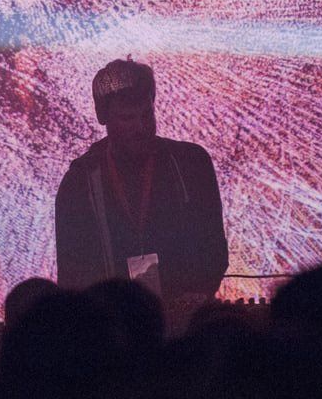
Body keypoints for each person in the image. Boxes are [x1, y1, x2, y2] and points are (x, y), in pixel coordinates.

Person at [55, 59, 228, 304]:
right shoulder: (79, 182)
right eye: (127, 118)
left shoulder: (192, 163)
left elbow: (214, 247)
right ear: (103, 118)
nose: (141, 127)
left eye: (147, 114)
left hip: (184, 315)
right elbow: (72, 274)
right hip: (113, 321)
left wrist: (198, 293)